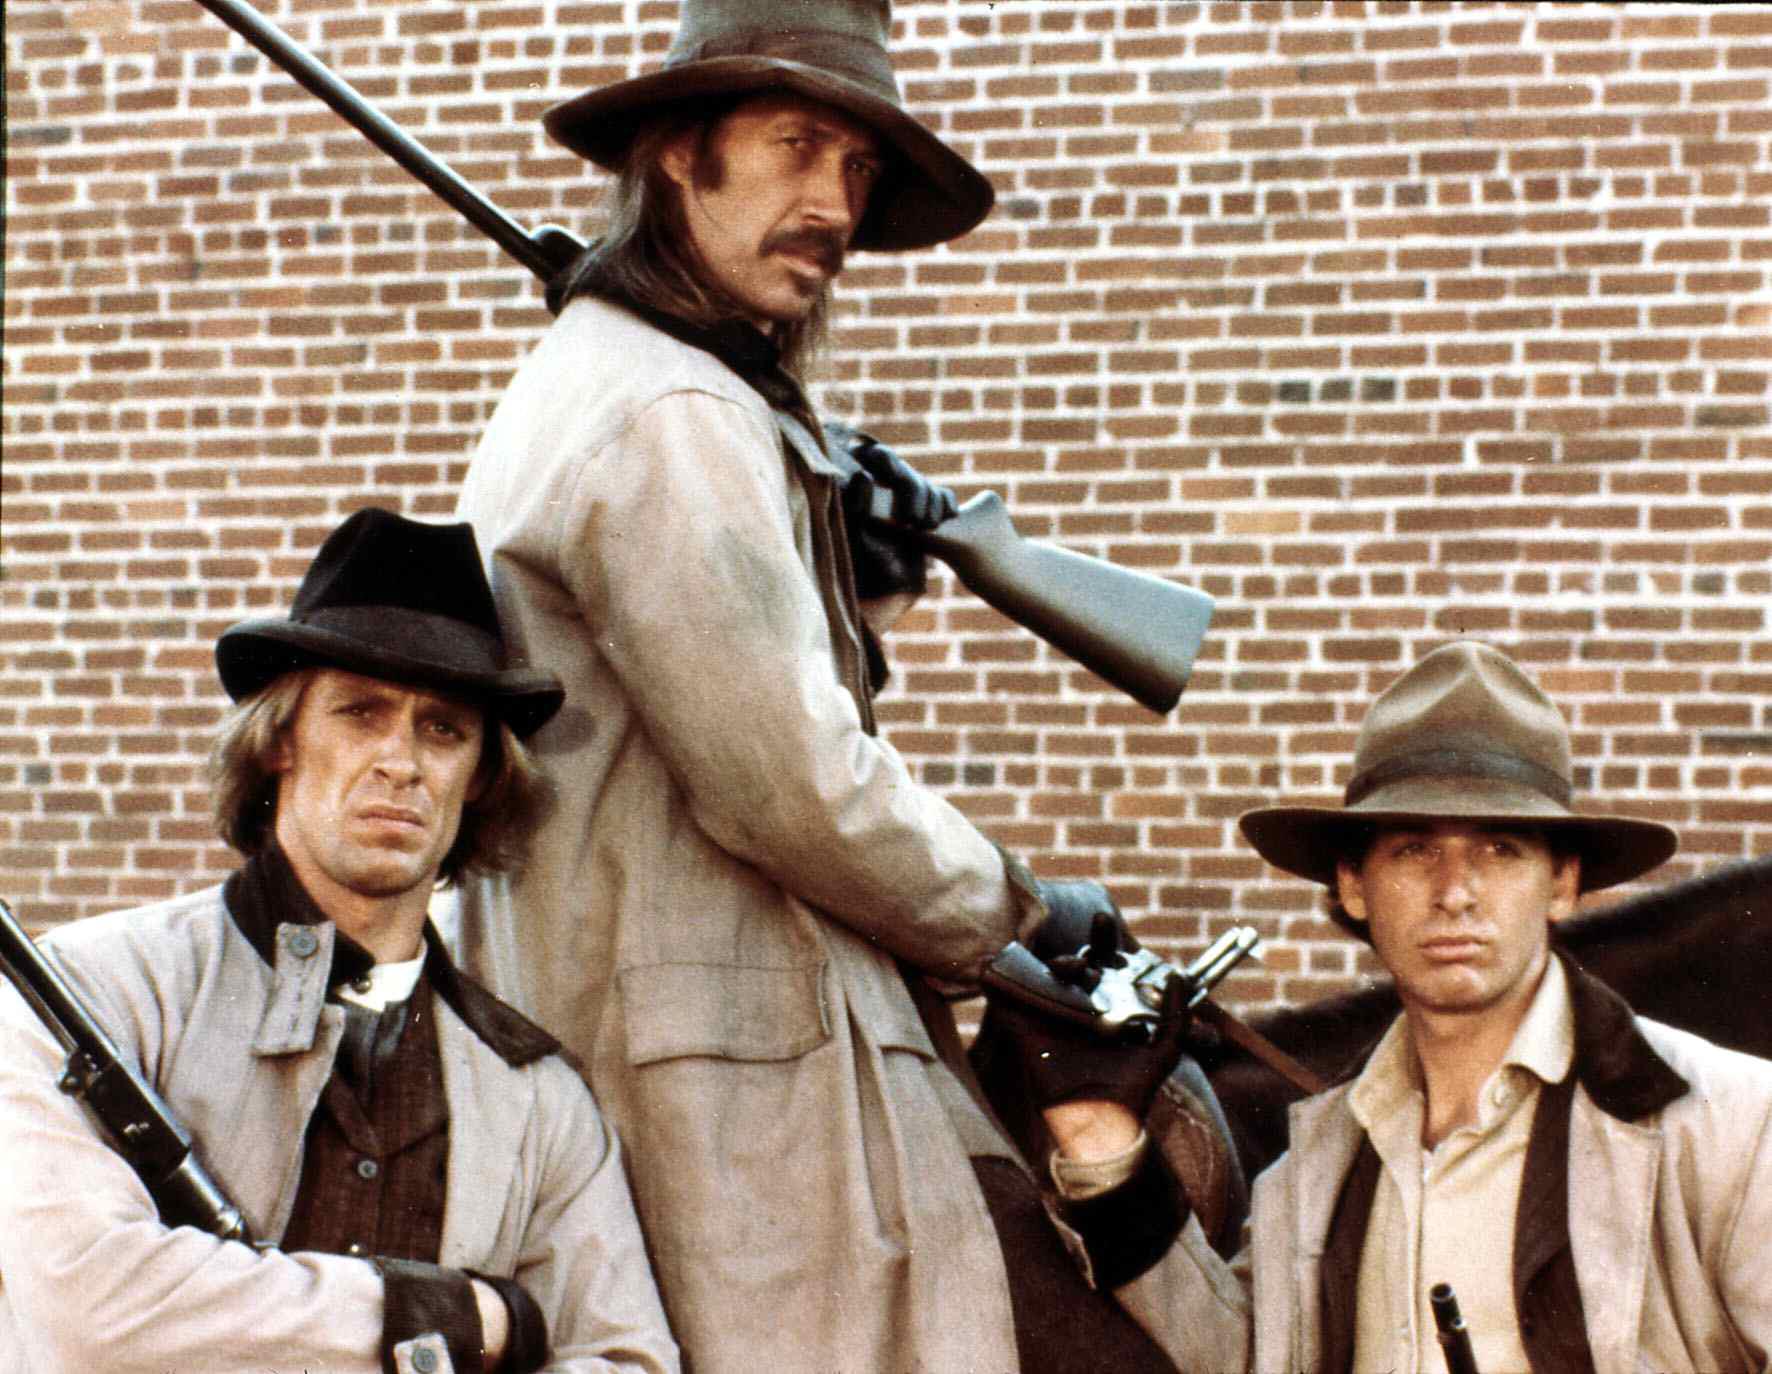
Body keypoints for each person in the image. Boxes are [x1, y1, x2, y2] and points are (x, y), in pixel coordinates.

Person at [441, 1, 1184, 1369]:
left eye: (854, 168)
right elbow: (792, 783)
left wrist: (869, 578)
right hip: (721, 1096)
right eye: (793, 147)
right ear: (680, 152)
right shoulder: (675, 412)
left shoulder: (657, 388)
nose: (832, 202)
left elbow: (729, 719)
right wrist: (1029, 912)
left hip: (688, 1056)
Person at [0, 509, 680, 1374]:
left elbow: (624, 1359)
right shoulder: (93, 994)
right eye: (361, 712)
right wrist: (452, 1316)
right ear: (281, 738)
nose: (401, 762)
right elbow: (89, 1310)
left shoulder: (535, 1098)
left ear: (479, 776)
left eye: (442, 728)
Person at [988, 640, 1772, 1373]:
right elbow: (1237, 1360)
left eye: (1500, 850)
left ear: (1563, 883)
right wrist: (1102, 1145)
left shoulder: (1728, 1122)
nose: (1455, 892)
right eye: (1413, 850)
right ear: (1356, 886)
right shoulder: (1314, 1169)